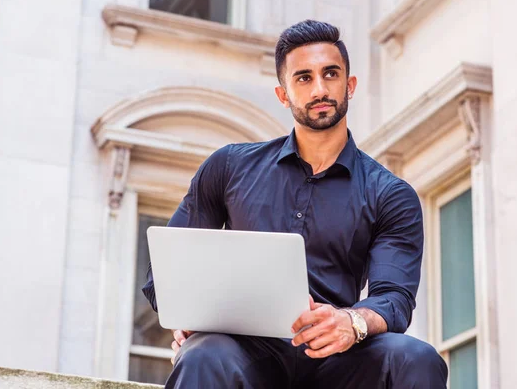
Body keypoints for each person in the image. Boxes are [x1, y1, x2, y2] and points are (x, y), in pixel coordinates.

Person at [142, 19, 448, 388]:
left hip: (339, 360)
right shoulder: (229, 167)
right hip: (243, 354)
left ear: (350, 85)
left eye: (330, 74)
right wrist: (191, 316)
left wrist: (352, 323)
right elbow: (166, 271)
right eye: (304, 78)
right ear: (283, 94)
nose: (320, 88)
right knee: (202, 353)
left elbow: (395, 298)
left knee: (416, 358)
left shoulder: (390, 193)